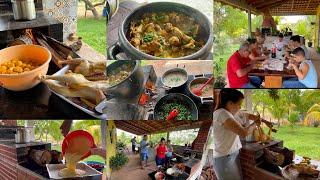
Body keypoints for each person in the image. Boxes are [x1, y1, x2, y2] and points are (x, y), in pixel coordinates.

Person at [211, 89, 261, 180]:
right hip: (224, 158)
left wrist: (258, 119)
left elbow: (247, 115)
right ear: (230, 103)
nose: (240, 107)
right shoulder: (222, 113)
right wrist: (255, 124)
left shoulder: (229, 112)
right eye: (239, 104)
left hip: (232, 154)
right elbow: (243, 132)